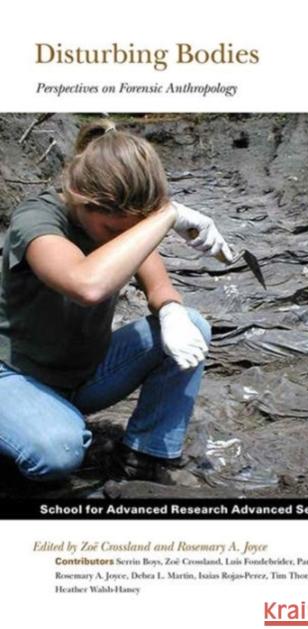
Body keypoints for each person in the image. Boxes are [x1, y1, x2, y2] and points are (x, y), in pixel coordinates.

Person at [0, 118, 232, 486]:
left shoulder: (118, 224)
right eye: (114, 230)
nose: (124, 239)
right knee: (56, 451)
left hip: (81, 375)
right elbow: (86, 284)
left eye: (134, 230)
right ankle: (30, 424)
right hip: (15, 374)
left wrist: (171, 311)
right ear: (78, 195)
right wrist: (168, 215)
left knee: (193, 325)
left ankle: (145, 456)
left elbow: (160, 289)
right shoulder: (37, 219)